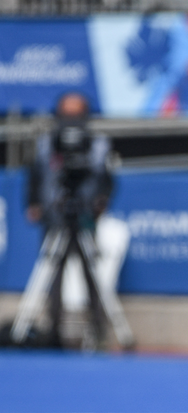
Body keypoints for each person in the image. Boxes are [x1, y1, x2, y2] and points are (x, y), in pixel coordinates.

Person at [24, 91, 115, 347]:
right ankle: (53, 329)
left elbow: (107, 178)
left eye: (76, 113)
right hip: (55, 216)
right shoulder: (47, 143)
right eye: (67, 113)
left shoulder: (97, 143)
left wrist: (100, 201)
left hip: (84, 216)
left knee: (91, 271)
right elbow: (35, 175)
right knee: (53, 271)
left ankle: (98, 330)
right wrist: (33, 203)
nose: (71, 120)